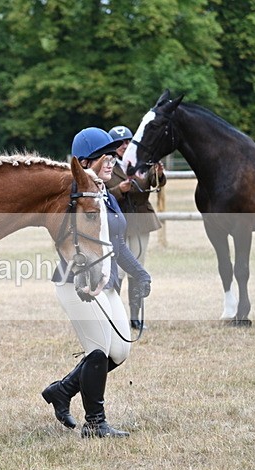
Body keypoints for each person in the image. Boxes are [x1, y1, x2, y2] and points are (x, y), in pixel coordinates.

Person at [42, 127, 151, 438]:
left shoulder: (104, 192)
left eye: (113, 154)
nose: (112, 159)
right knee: (99, 349)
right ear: (85, 160)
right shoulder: (76, 196)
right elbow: (68, 241)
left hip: (107, 281)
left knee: (119, 351)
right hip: (77, 282)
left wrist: (139, 272)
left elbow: (116, 242)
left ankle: (61, 391)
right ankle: (95, 423)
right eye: (106, 154)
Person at [106, 125, 167, 330]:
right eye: (120, 143)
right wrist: (119, 190)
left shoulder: (141, 162)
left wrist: (158, 173)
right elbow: (102, 195)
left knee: (137, 269)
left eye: (127, 142)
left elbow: (155, 182)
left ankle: (135, 317)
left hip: (140, 220)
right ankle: (114, 316)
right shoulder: (106, 166)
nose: (124, 146)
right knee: (119, 272)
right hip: (117, 222)